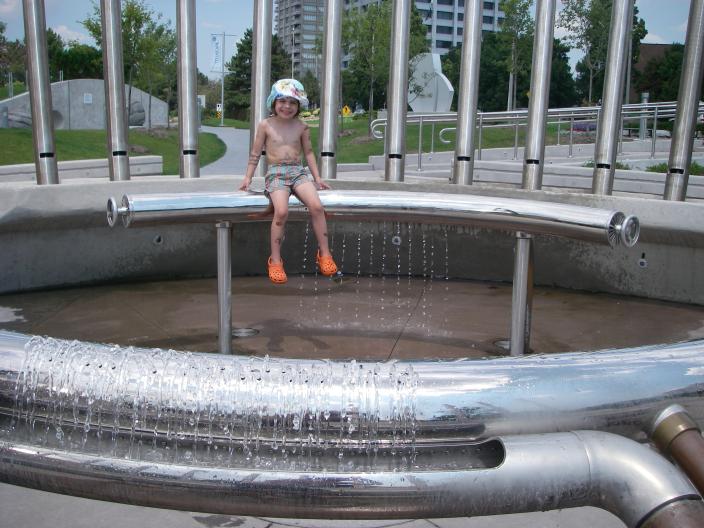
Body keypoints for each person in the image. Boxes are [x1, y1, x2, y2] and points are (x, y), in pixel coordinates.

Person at [239, 78, 338, 284]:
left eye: (293, 102)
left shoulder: (301, 126)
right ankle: (275, 260)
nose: (287, 106)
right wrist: (248, 177)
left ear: (299, 106)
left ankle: (325, 253)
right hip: (276, 173)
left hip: (298, 172)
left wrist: (317, 178)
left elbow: (308, 153)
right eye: (282, 101)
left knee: (317, 207)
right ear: (273, 102)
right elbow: (256, 153)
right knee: (282, 211)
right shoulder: (266, 125)